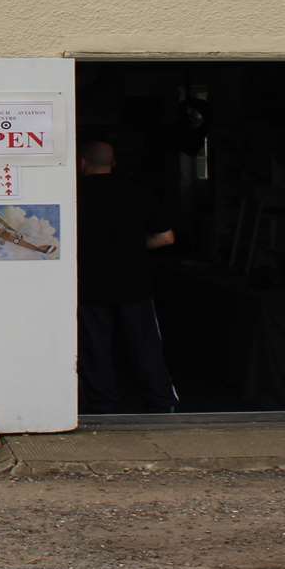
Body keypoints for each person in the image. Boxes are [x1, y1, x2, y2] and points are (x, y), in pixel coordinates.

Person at [76, 140, 178, 414]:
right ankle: (160, 401)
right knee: (144, 344)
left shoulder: (73, 194)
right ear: (113, 163)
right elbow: (166, 238)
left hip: (90, 284)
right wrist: (132, 247)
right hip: (134, 283)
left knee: (95, 347)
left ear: (82, 163)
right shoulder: (137, 191)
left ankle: (103, 406)